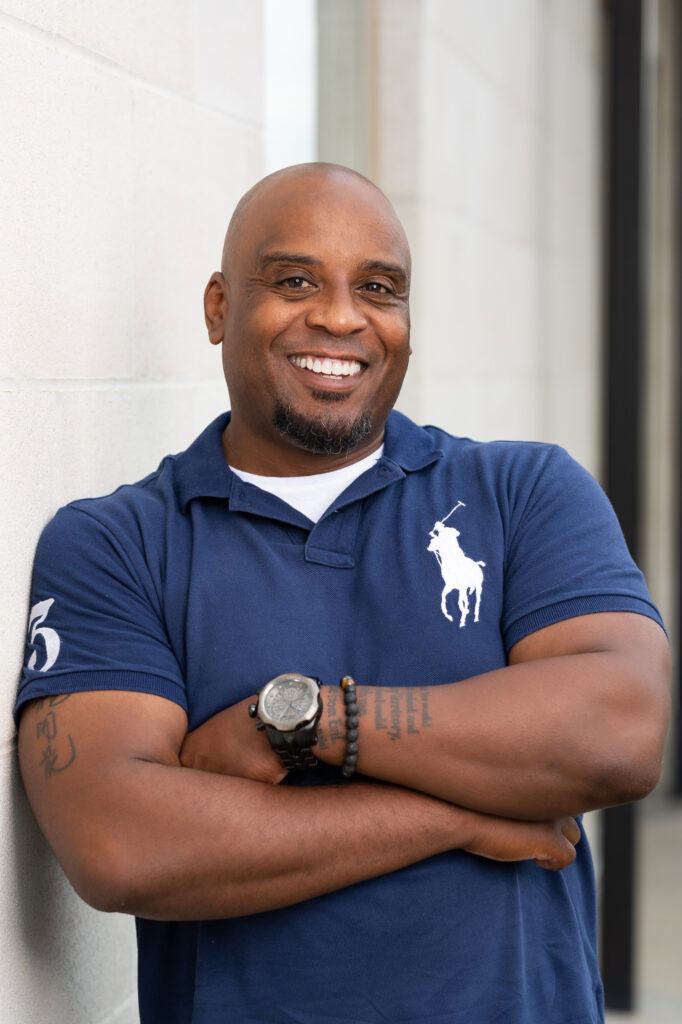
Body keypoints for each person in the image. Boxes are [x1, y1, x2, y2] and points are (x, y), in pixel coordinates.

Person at [15, 163, 670, 1024]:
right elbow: (119, 845)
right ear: (218, 307)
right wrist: (461, 817)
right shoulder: (116, 543)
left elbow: (621, 731)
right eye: (294, 281)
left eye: (379, 288)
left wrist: (314, 723)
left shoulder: (524, 491)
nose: (340, 316)